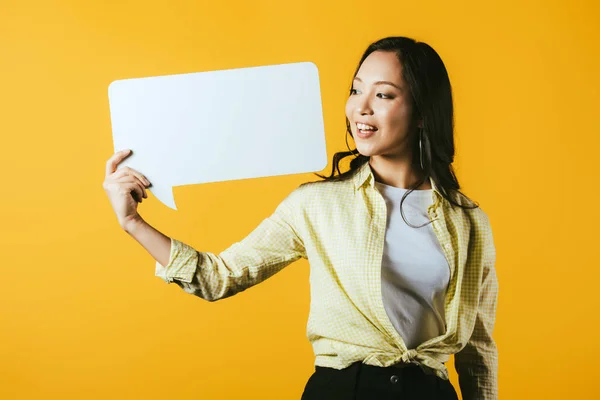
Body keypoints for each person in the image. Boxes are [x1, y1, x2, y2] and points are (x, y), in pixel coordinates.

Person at [103, 36, 498, 400]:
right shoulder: (316, 205)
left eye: (383, 95)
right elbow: (218, 277)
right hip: (344, 389)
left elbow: (478, 350)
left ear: (422, 113)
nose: (361, 107)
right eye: (356, 89)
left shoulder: (468, 222)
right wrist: (133, 223)